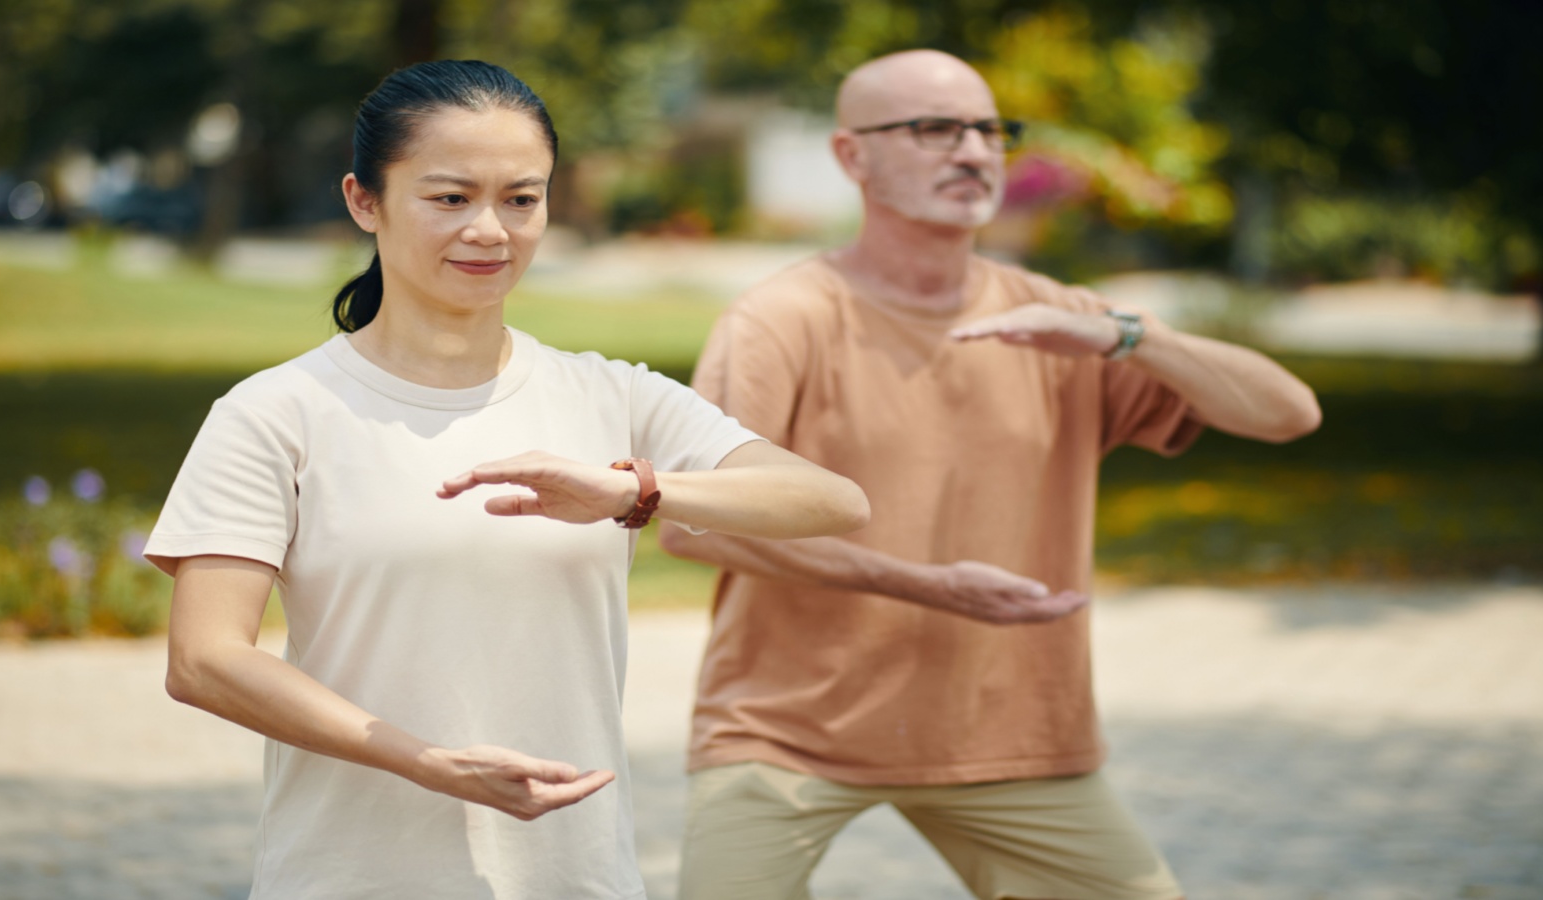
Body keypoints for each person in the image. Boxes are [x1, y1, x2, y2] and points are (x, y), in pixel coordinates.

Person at [146, 60, 869, 900]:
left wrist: (637, 492)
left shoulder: (612, 394)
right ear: (363, 200)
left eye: (521, 199)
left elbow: (832, 502)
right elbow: (204, 660)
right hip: (353, 877)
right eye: (450, 198)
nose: (490, 230)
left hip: (577, 875)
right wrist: (425, 761)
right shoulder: (277, 412)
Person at [661, 49, 1322, 900]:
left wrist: (1133, 335)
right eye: (933, 129)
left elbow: (1288, 414)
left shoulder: (1063, 321)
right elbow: (696, 521)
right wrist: (930, 586)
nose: (972, 151)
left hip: (1009, 737)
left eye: (989, 130)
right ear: (851, 156)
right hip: (788, 734)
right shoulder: (779, 320)